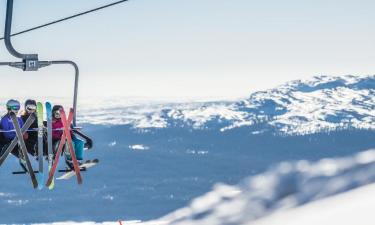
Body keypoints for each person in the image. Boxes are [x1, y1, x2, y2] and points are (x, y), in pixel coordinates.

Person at [52, 105, 84, 169]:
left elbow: (70, 129)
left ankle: (78, 159)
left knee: (80, 142)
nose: (58, 115)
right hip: (59, 139)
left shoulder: (65, 121)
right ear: (53, 113)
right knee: (71, 143)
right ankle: (70, 159)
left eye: (60, 114)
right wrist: (60, 134)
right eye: (56, 114)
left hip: (69, 136)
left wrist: (71, 130)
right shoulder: (52, 122)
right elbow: (52, 133)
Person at [0, 99, 28, 170]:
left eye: (18, 107)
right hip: (9, 141)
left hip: (19, 140)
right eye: (15, 108)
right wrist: (18, 135)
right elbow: (7, 134)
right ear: (9, 108)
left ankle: (25, 161)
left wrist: (24, 134)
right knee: (10, 146)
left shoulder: (19, 119)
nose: (17, 110)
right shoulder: (5, 119)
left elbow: (23, 128)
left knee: (24, 146)